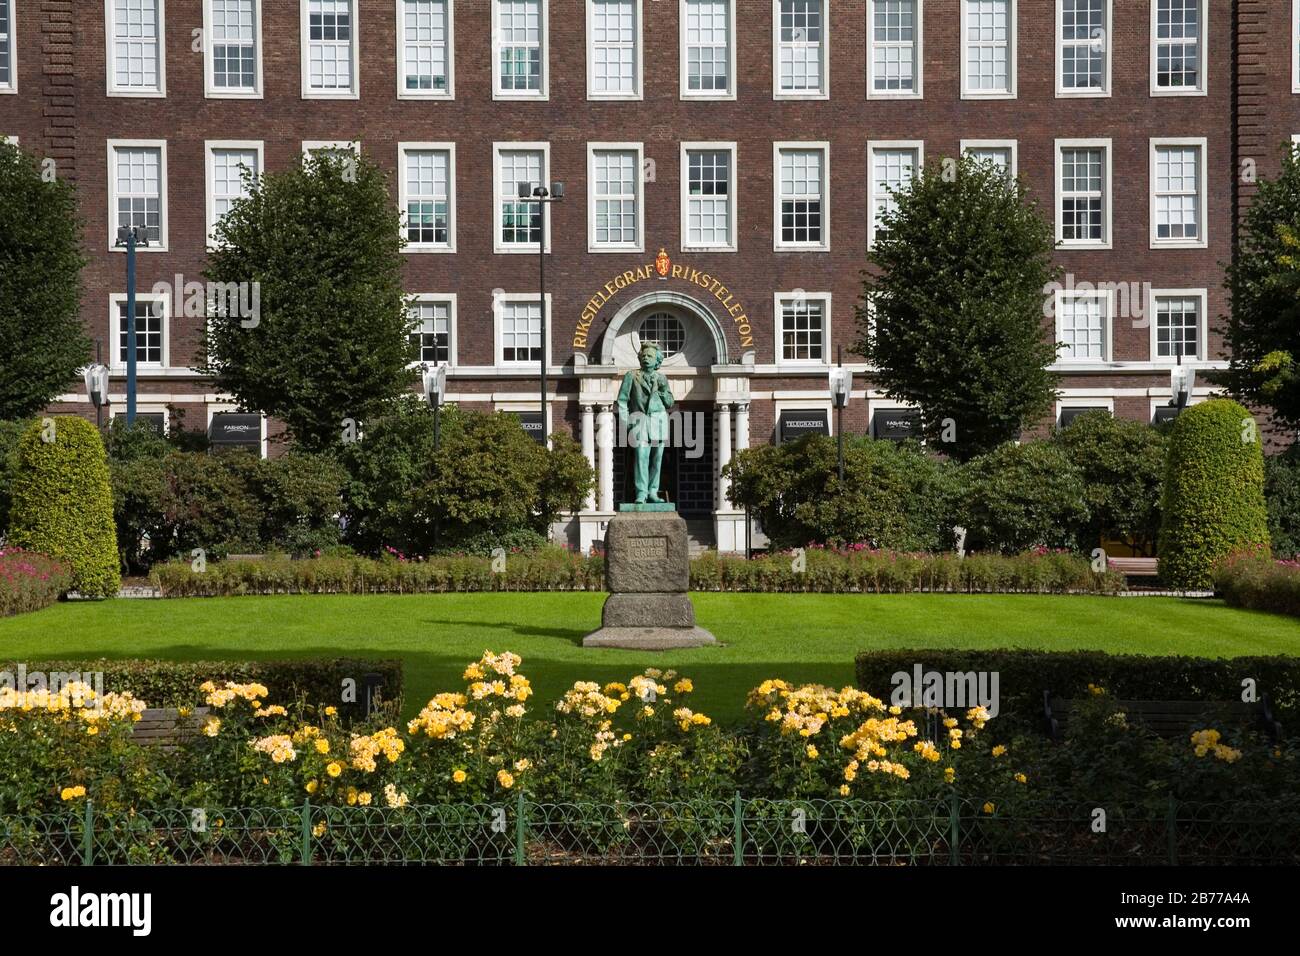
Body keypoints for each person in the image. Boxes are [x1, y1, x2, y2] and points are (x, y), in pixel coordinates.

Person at [617, 342, 674, 504]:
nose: (646, 358)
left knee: (657, 460)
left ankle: (653, 492)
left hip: (659, 422)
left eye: (650, 356)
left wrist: (663, 392)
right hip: (639, 421)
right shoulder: (631, 376)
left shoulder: (662, 378)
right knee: (641, 457)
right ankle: (641, 493)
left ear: (657, 361)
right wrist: (627, 422)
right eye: (644, 356)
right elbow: (622, 401)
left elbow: (670, 402)